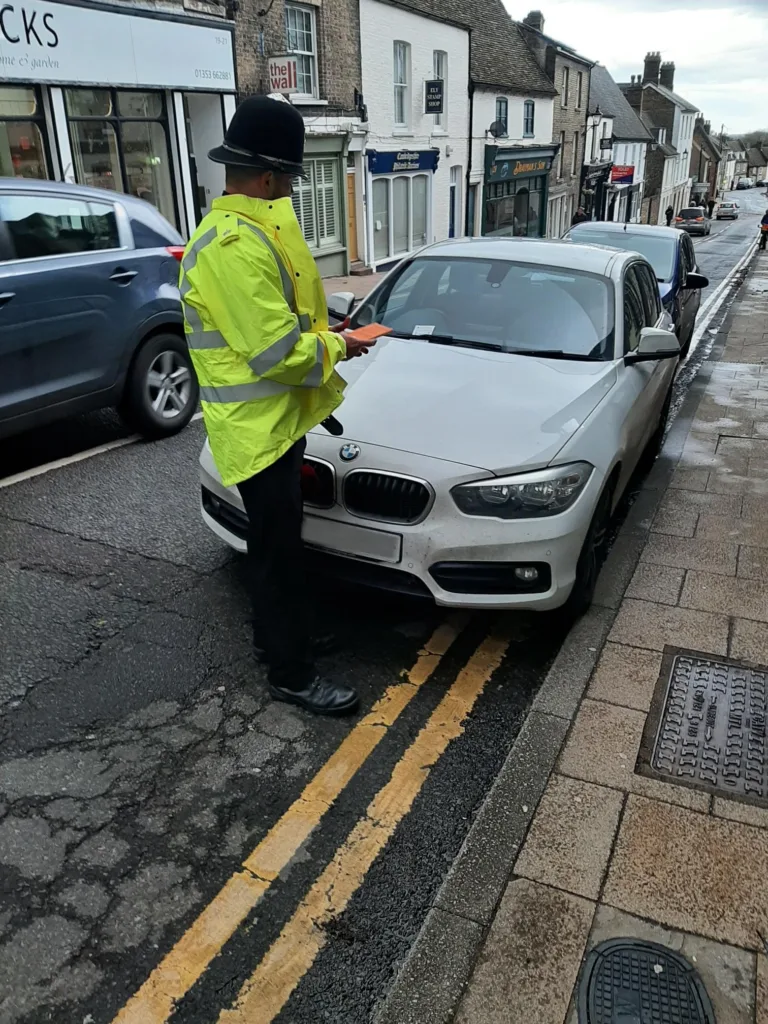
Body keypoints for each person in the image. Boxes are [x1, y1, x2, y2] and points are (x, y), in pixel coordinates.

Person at [179, 95, 374, 716]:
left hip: (272, 423)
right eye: (289, 178)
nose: (292, 188)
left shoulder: (252, 229)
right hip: (254, 430)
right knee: (274, 553)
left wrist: (330, 325)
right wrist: (342, 344)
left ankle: (283, 636)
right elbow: (277, 354)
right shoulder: (235, 246)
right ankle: (290, 671)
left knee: (281, 545)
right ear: (266, 177)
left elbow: (282, 315)